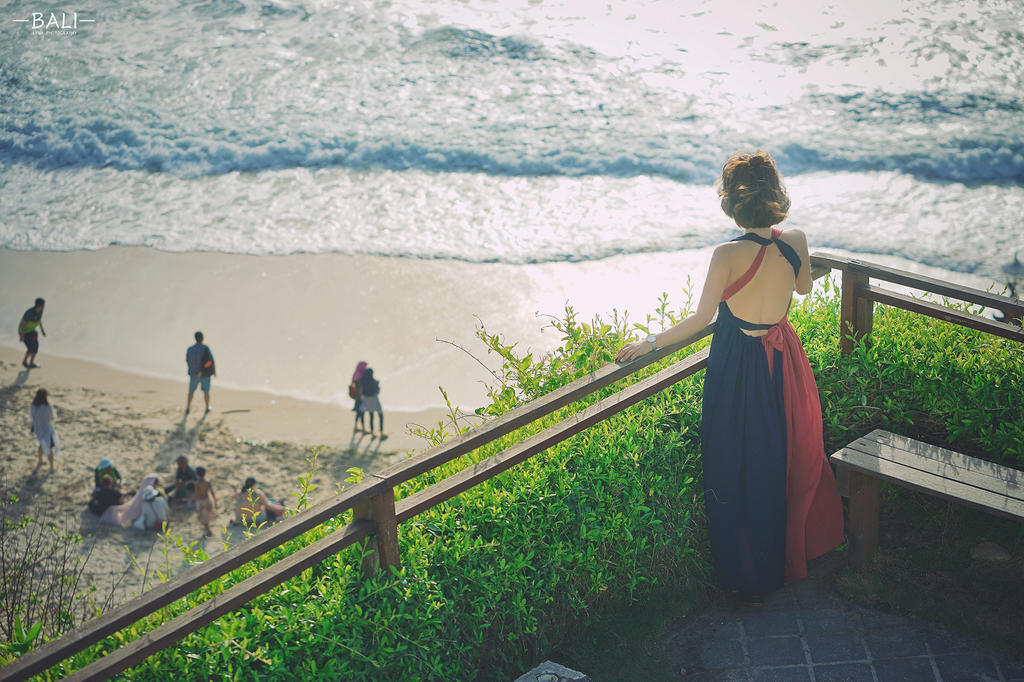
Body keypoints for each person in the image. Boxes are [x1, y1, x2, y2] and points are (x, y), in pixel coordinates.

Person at [616, 150, 844, 600]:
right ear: (777, 195)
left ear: (731, 203)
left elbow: (702, 319)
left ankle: (746, 569)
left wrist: (652, 342)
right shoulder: (793, 240)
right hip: (783, 359)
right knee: (786, 452)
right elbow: (803, 287)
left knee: (737, 460)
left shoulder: (725, 254)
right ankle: (790, 551)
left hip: (738, 362)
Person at [185, 331, 215, 414]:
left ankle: (188, 407)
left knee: (191, 391)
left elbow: (187, 361)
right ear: (202, 338)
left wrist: (193, 370)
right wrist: (212, 371)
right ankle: (207, 407)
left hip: (194, 374)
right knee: (206, 392)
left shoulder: (190, 349)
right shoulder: (205, 348)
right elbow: (210, 361)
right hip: (205, 374)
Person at [30, 388, 59, 471]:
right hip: (47, 429)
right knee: (49, 448)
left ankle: (40, 461)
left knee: (41, 444)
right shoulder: (47, 406)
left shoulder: (32, 406)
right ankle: (51, 467)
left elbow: (32, 417)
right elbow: (52, 417)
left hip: (38, 429)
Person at [357, 367, 385, 438]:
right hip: (374, 400)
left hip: (367, 400)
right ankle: (381, 432)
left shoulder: (362, 381)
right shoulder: (373, 382)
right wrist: (377, 384)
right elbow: (377, 391)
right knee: (380, 415)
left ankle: (372, 433)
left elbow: (363, 392)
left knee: (371, 416)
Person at [18, 298, 46, 369]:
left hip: (32, 331)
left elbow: (39, 320)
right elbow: (23, 325)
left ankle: (31, 363)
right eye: (43, 305)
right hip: (24, 332)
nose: (44, 307)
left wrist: (42, 330)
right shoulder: (29, 313)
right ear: (39, 306)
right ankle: (25, 361)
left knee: (36, 347)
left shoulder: (40, 311)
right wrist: (21, 335)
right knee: (31, 348)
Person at [191, 466, 217, 536]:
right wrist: (215, 500)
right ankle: (207, 529)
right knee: (206, 516)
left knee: (202, 517)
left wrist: (191, 499)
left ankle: (208, 531)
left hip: (201, 502)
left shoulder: (197, 484)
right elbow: (212, 492)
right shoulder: (207, 482)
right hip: (208, 500)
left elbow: (196, 493)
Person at [350, 361, 367, 432]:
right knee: (361, 413)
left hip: (357, 397)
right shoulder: (361, 375)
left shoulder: (355, 374)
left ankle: (356, 426)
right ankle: (363, 429)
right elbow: (361, 387)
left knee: (358, 413)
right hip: (361, 397)